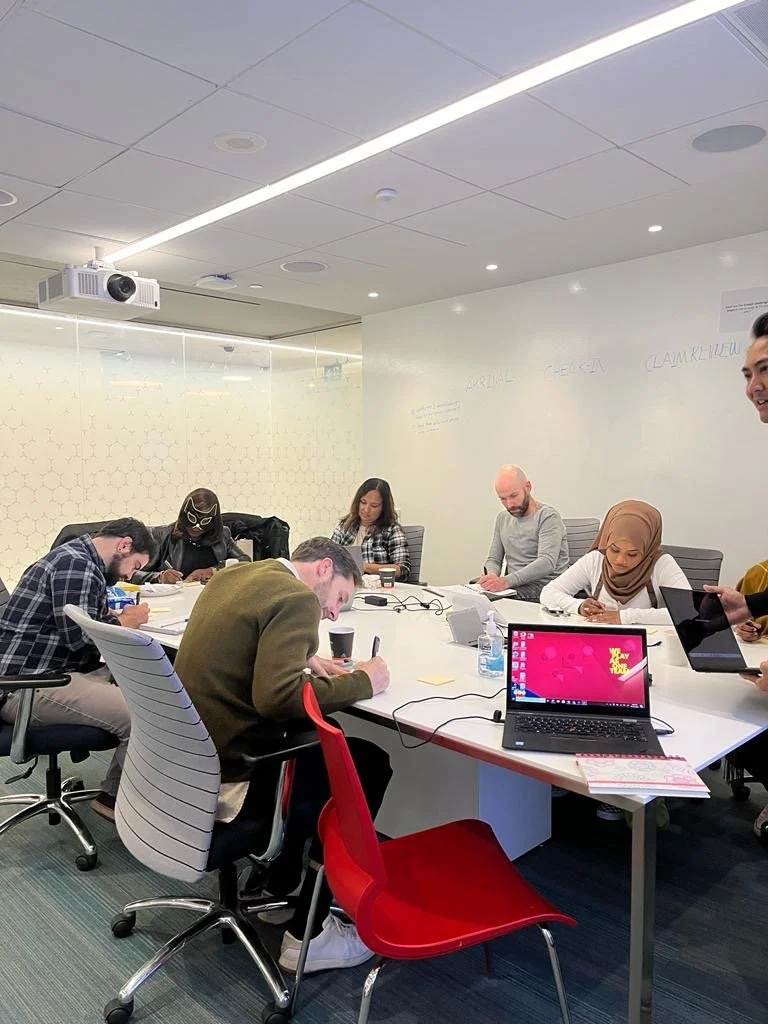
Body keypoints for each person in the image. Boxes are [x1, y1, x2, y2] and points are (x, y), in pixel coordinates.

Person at [174, 537, 392, 974]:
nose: (334, 613)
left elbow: (244, 642)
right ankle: (308, 933)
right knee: (365, 764)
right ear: (324, 568)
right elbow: (277, 699)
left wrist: (302, 657)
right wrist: (365, 681)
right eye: (340, 598)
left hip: (185, 764)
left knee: (315, 740)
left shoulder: (237, 575)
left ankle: (280, 882)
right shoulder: (297, 598)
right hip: (233, 776)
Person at [0, 518, 153, 820]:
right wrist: (125, 622)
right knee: (145, 714)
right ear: (124, 545)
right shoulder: (76, 565)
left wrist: (112, 619)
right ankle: (114, 799)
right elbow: (80, 638)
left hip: (45, 672)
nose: (129, 575)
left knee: (146, 688)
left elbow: (77, 625)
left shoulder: (77, 559)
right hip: (27, 686)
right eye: (135, 565)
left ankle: (120, 791)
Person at [540, 500, 690, 624]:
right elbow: (548, 593)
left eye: (632, 554)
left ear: (648, 549)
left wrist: (625, 617)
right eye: (614, 550)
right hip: (599, 641)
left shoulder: (661, 564)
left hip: (649, 644)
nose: (620, 561)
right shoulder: (596, 559)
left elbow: (687, 611)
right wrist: (578, 606)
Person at [477, 464, 568, 601]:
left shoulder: (548, 516)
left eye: (514, 495)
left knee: (492, 601)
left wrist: (505, 582)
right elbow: (494, 560)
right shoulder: (502, 519)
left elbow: (547, 562)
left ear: (528, 487)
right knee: (473, 596)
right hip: (515, 586)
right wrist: (491, 576)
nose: (510, 504)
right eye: (503, 499)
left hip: (545, 588)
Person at [132, 488, 249, 585]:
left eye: (205, 521)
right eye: (192, 518)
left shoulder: (223, 535)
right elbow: (131, 573)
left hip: (212, 596)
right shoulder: (162, 536)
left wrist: (212, 570)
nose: (196, 527)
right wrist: (160, 577)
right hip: (175, 600)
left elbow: (245, 561)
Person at [330, 477, 410, 581]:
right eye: (363, 502)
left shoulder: (392, 530)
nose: (366, 509)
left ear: (383, 508)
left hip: (377, 587)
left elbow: (403, 570)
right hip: (344, 585)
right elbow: (329, 558)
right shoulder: (344, 526)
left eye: (374, 505)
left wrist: (363, 566)